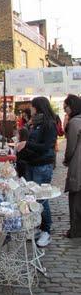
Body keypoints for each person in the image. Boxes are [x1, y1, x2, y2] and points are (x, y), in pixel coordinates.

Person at [16, 97, 57, 247]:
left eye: (32, 106)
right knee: (32, 198)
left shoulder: (49, 124)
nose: (30, 109)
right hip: (31, 164)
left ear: (38, 107)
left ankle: (46, 231)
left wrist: (27, 143)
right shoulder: (35, 123)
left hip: (42, 166)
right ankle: (37, 227)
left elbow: (46, 147)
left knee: (41, 199)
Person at [63, 94, 81, 238]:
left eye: (66, 107)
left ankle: (75, 230)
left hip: (78, 164)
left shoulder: (75, 122)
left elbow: (70, 148)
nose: (65, 110)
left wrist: (66, 159)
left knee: (75, 199)